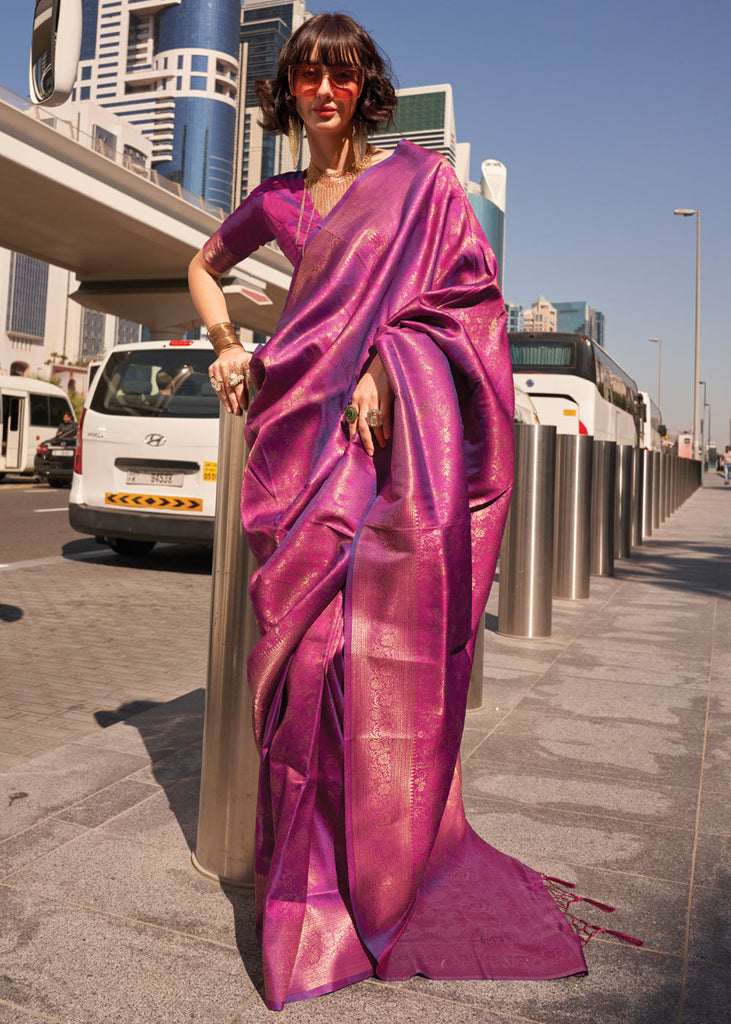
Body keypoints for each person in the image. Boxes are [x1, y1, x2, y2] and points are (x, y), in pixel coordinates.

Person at [188, 12, 595, 1012]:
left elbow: (464, 298)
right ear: (284, 91)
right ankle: (304, 877)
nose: (322, 92)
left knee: (367, 651)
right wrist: (227, 341)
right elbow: (205, 265)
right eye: (305, 78)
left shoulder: (415, 183)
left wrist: (383, 362)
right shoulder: (275, 200)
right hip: (293, 436)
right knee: (298, 660)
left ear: (361, 85)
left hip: (381, 442)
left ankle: (374, 862)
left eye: (339, 76)